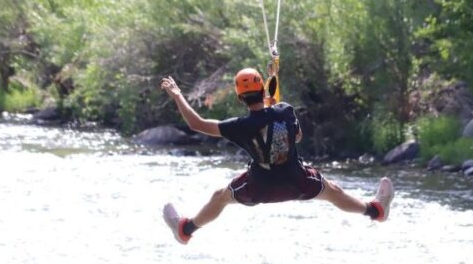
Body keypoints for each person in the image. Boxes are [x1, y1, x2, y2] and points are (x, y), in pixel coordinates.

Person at [160, 68, 395, 244]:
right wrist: (273, 100)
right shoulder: (285, 110)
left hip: (258, 187)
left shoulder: (237, 126)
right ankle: (376, 211)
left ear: (240, 98)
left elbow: (196, 123)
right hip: (297, 181)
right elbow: (298, 136)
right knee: (334, 192)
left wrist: (178, 94)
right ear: (263, 90)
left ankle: (185, 230)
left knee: (220, 197)